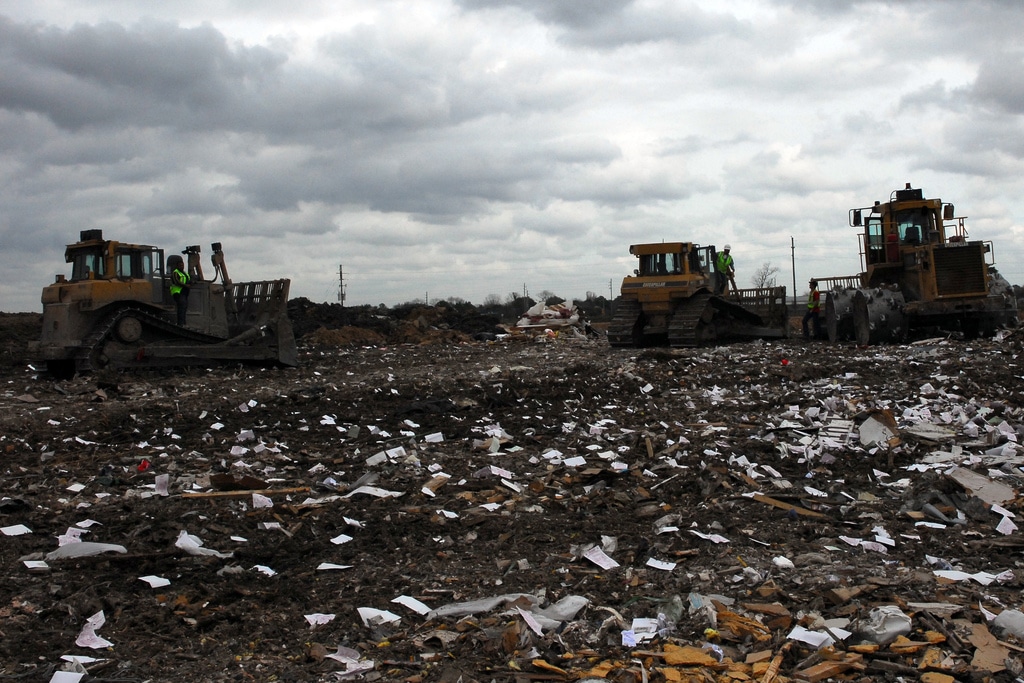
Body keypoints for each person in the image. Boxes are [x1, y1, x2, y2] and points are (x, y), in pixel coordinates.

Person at [168, 255, 191, 326]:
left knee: (184, 307)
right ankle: (180, 323)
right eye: (180, 265)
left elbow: (188, 280)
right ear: (177, 266)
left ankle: (183, 322)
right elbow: (176, 281)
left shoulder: (185, 273)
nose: (182, 266)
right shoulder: (175, 272)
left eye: (182, 265)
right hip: (177, 292)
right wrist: (186, 285)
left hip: (184, 292)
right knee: (181, 306)